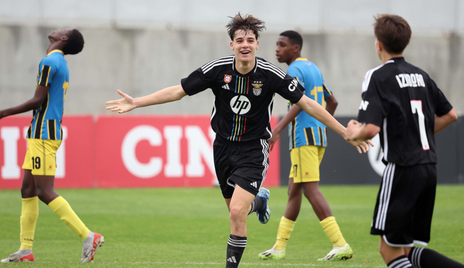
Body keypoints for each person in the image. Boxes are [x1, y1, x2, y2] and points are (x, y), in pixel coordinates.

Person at [106, 13, 368, 268]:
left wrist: (344, 132)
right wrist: (136, 102)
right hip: (222, 148)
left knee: (236, 214)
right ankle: (259, 200)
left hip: (254, 149)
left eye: (250, 40)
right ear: (232, 44)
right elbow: (178, 91)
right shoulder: (217, 70)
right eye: (240, 40)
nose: (245, 45)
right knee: (235, 209)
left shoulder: (270, 74)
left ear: (256, 44)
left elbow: (308, 104)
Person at [346, 14, 462, 268]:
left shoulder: (378, 76)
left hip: (402, 167)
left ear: (378, 44)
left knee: (389, 251)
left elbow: (371, 128)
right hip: (428, 167)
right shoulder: (421, 75)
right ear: (405, 42)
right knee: (407, 250)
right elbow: (451, 114)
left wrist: (354, 131)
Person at [0, 28, 104, 263]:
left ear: (63, 39)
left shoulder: (50, 61)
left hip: (44, 133)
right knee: (28, 190)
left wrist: (3, 112)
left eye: (63, 30)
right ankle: (25, 250)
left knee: (44, 190)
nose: (57, 28)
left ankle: (88, 235)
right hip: (40, 132)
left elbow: (37, 99)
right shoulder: (58, 62)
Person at [259, 30, 353, 261]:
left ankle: (340, 244)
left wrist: (278, 130)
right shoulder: (314, 68)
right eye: (277, 44)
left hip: (303, 138)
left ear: (296, 49)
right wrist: (321, 124)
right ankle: (279, 248)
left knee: (310, 189)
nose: (277, 49)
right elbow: (332, 101)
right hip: (318, 136)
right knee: (294, 191)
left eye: (282, 45)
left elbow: (300, 102)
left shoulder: (294, 70)